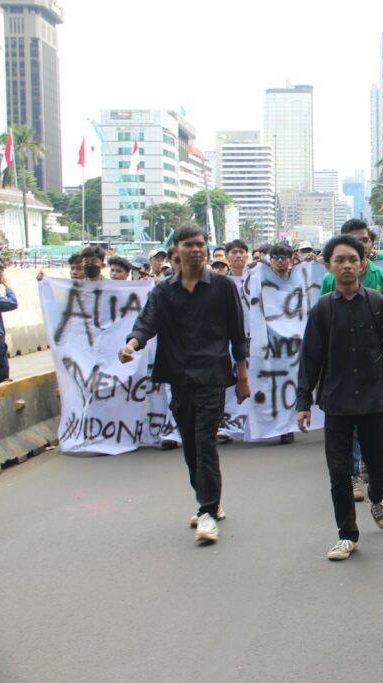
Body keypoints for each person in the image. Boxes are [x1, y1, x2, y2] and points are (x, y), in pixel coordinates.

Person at [119, 225, 250, 544]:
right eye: (189, 245)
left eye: (200, 244)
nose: (195, 250)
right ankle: (209, 501)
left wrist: (243, 377)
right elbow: (146, 323)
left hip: (212, 376)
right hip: (178, 378)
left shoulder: (222, 287)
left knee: (205, 442)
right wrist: (132, 344)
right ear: (176, 250)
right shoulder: (164, 291)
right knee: (190, 444)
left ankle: (207, 511)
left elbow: (237, 333)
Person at [296, 234, 383, 560]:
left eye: (352, 260)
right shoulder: (322, 310)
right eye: (339, 260)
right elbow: (310, 358)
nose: (346, 266)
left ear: (363, 264)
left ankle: (378, 496)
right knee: (339, 472)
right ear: (328, 266)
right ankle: (347, 534)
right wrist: (303, 402)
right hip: (337, 402)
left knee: (380, 466)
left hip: (374, 400)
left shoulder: (379, 304)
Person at [320, 218, 383, 497]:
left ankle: (373, 474)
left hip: (372, 370)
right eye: (353, 240)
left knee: (375, 440)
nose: (360, 244)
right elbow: (323, 323)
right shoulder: (328, 282)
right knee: (346, 428)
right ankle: (353, 473)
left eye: (364, 240)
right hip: (341, 370)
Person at [264, 243, 297, 445]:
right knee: (272, 385)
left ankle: (287, 427)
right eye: (275, 257)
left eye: (283, 257)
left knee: (289, 384)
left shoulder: (300, 279)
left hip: (293, 344)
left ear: (291, 259)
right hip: (270, 343)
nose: (279, 261)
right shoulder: (260, 280)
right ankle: (274, 424)